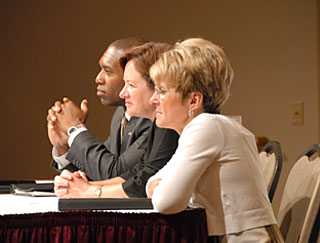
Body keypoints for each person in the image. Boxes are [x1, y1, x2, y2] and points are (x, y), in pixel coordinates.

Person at [146, 38, 284, 242]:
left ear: (193, 100)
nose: (153, 99)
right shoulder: (211, 127)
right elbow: (152, 183)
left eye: (162, 91)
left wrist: (158, 187)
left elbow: (166, 202)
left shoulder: (205, 127)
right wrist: (157, 187)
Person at [54, 42, 179, 198]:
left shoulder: (169, 124)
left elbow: (138, 180)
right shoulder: (127, 118)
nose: (123, 93)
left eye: (131, 85)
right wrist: (80, 185)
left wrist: (75, 129)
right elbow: (134, 174)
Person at [47, 37, 156, 181]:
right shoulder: (120, 115)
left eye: (108, 71)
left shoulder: (153, 119)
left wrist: (75, 129)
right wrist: (64, 146)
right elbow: (98, 173)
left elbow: (115, 174)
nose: (98, 78)